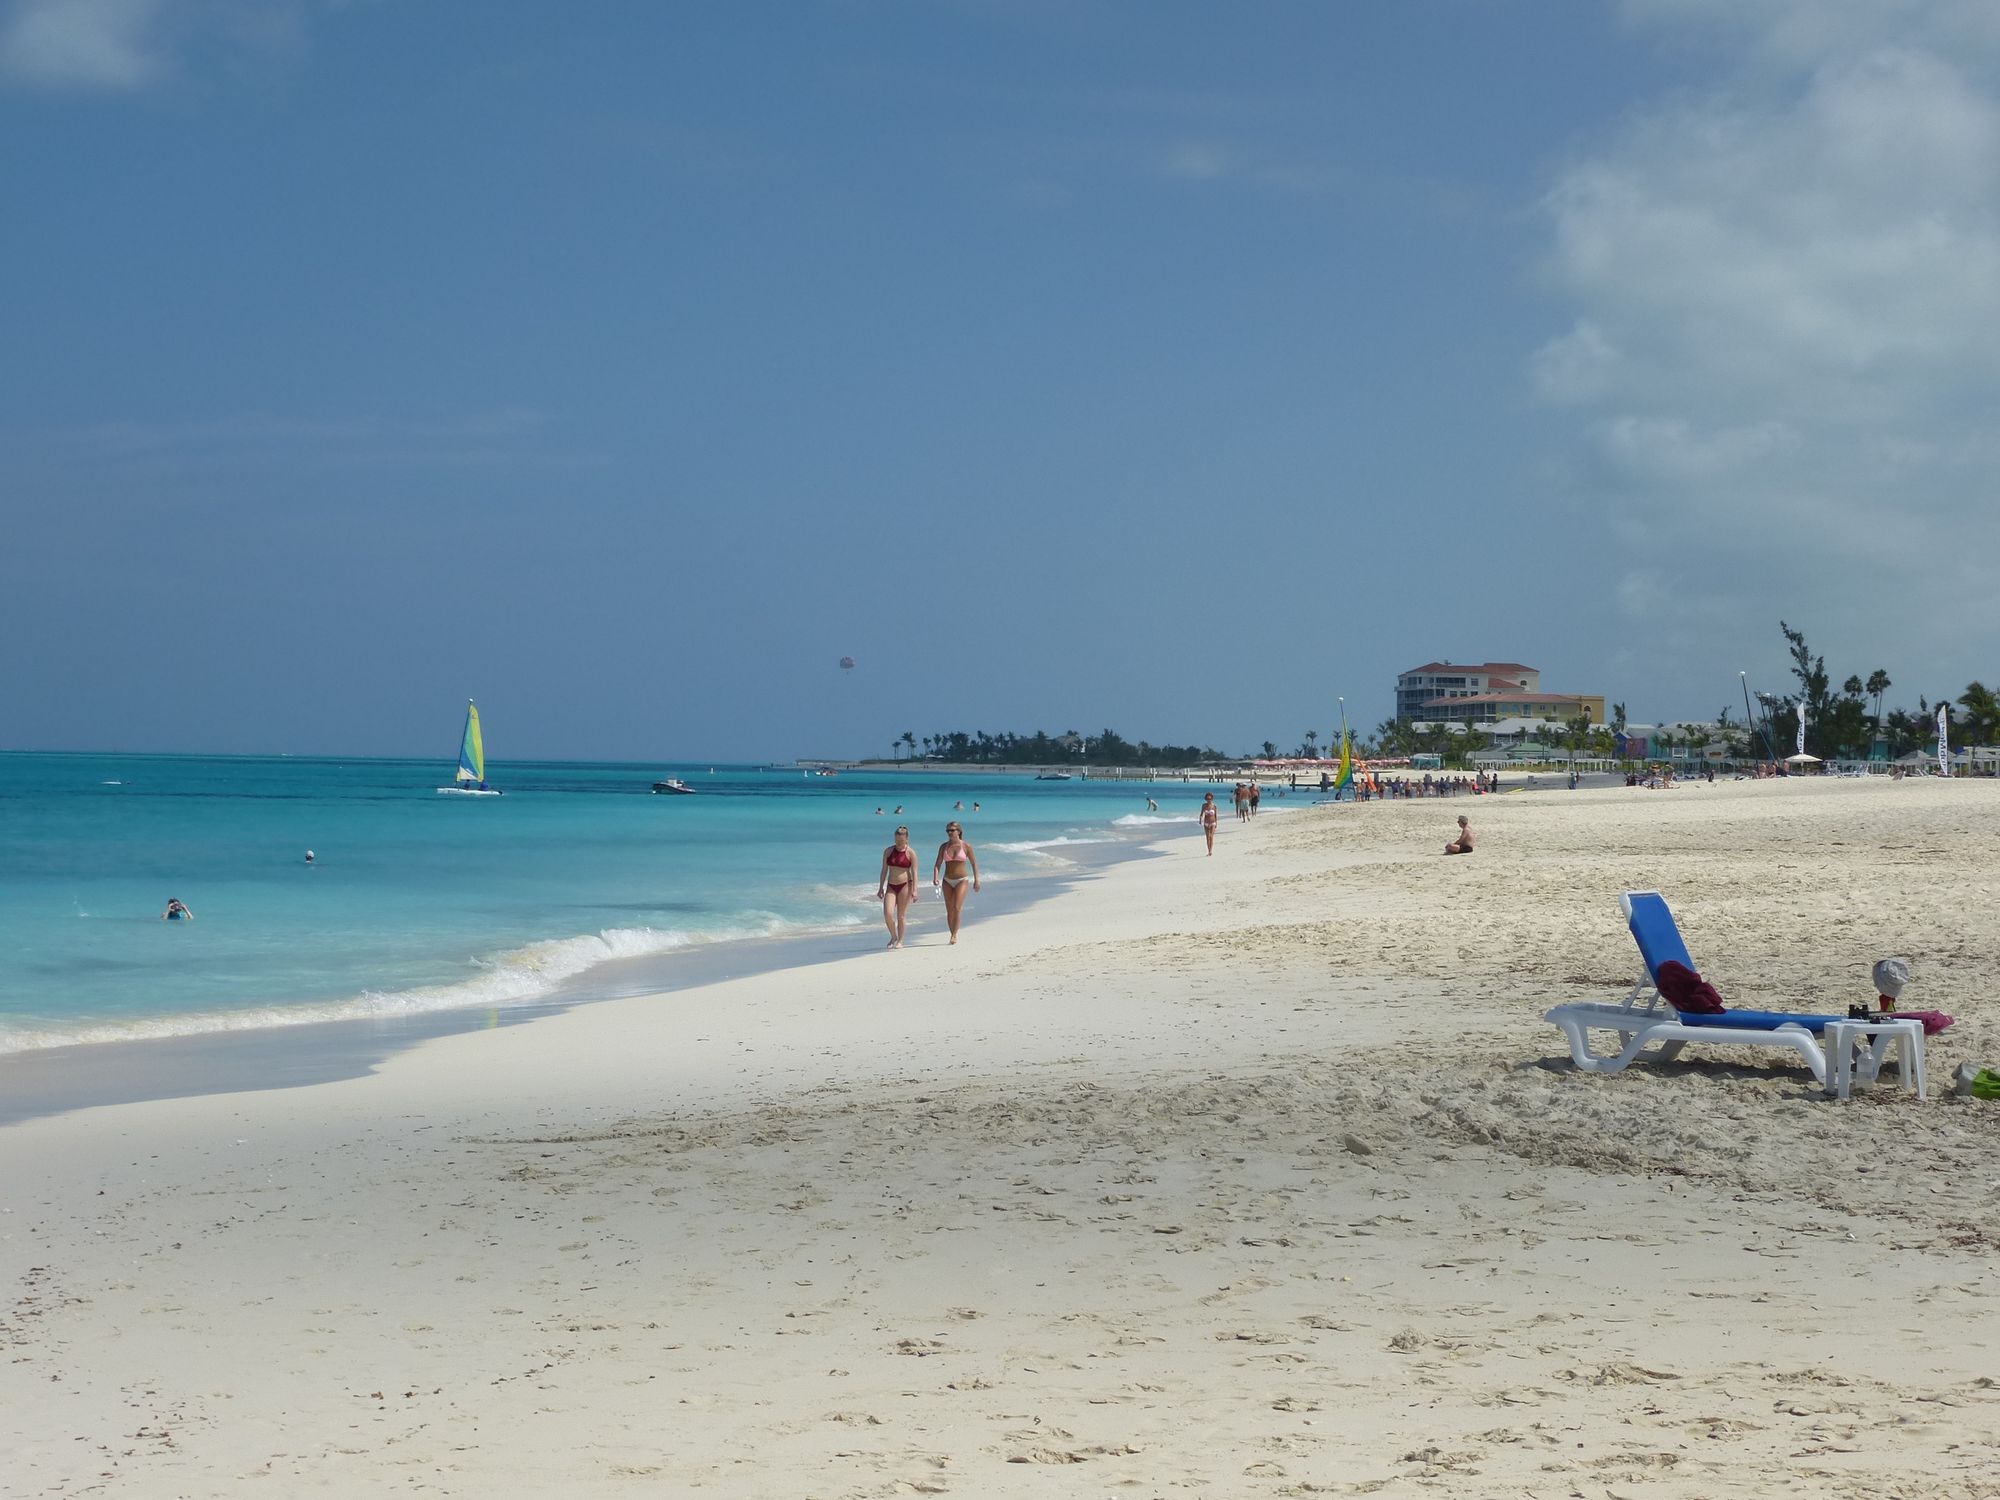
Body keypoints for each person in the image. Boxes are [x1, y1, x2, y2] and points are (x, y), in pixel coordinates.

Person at [932, 820, 981, 945]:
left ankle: (954, 935)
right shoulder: (944, 847)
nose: (949, 833)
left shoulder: (966, 846)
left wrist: (977, 880)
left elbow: (974, 863)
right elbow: (937, 864)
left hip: (962, 880)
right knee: (949, 909)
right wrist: (936, 877)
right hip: (947, 880)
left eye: (952, 830)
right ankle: (952, 933)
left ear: (959, 831)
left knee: (957, 907)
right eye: (947, 831)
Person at [876, 826, 919, 948]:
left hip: (905, 885)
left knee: (901, 915)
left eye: (901, 840)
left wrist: (915, 890)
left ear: (906, 839)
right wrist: (880, 887)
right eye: (897, 840)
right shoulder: (888, 851)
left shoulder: (911, 853)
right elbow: (884, 870)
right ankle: (893, 936)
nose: (899, 842)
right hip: (891, 886)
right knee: (888, 913)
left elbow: (915, 872)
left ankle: (900, 940)